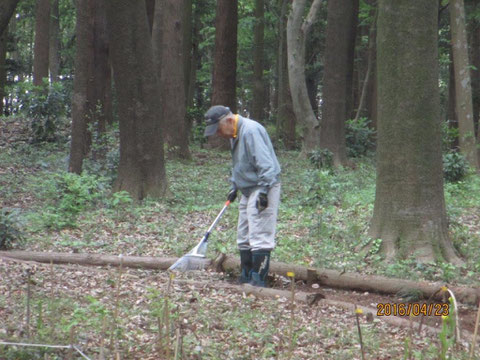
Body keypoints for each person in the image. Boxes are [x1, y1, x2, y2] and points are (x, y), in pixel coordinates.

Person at [204, 105, 281, 287]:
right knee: (244, 233)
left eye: (219, 129)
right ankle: (246, 274)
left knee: (259, 232)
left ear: (229, 121)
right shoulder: (235, 133)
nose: (218, 134)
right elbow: (240, 163)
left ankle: (258, 280)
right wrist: (234, 184)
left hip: (263, 185)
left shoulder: (251, 131)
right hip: (247, 187)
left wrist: (263, 193)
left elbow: (266, 164)